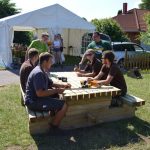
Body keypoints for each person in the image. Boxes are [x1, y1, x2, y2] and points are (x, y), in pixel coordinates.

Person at [25, 52, 71, 130]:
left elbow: (51, 83)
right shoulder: (39, 73)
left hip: (35, 98)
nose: (52, 63)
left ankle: (53, 117)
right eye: (50, 61)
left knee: (56, 97)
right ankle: (54, 126)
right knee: (64, 105)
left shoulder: (41, 70)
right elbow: (40, 93)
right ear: (44, 62)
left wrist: (63, 85)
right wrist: (57, 90)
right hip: (33, 102)